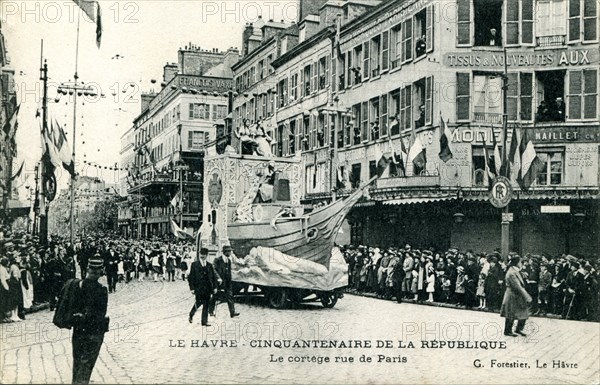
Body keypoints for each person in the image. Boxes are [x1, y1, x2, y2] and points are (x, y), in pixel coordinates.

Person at [71, 256, 109, 384]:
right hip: (94, 332)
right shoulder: (102, 290)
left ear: (87, 269)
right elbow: (101, 313)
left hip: (78, 330)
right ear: (101, 271)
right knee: (86, 365)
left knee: (77, 362)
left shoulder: (77, 285)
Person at [500, 256, 532, 337]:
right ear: (516, 263)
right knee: (511, 313)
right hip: (512, 295)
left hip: (516, 295)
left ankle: (518, 329)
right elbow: (517, 286)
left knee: (522, 313)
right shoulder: (511, 272)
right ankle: (508, 331)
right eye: (520, 262)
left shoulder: (515, 271)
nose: (521, 264)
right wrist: (527, 296)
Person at [188, 248, 219, 326]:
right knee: (198, 303)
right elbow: (191, 278)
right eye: (201, 254)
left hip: (208, 288)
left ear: (206, 255)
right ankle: (191, 314)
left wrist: (215, 287)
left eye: (204, 254)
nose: (202, 256)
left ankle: (204, 322)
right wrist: (192, 288)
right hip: (198, 288)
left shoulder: (209, 265)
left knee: (206, 305)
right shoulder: (194, 265)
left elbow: (213, 277)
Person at [209, 245, 241, 318]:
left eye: (230, 251)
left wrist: (230, 280)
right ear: (225, 252)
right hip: (218, 282)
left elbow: (229, 271)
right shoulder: (217, 260)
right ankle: (210, 310)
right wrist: (218, 278)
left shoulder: (229, 261)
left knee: (230, 296)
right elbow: (213, 269)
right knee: (215, 296)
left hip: (227, 282)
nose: (230, 253)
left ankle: (232, 312)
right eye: (229, 251)